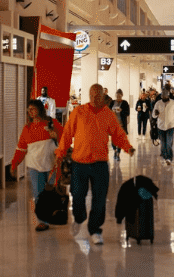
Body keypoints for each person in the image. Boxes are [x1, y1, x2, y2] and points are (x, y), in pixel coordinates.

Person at [57, 84, 134, 245]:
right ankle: (79, 218)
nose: (94, 98)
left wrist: (127, 147)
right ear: (89, 95)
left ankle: (95, 229)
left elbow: (118, 134)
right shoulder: (79, 112)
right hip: (80, 163)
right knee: (78, 196)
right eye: (91, 95)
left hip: (100, 164)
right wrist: (60, 151)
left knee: (99, 200)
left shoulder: (108, 114)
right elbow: (68, 132)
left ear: (102, 96)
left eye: (97, 95)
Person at [10, 100, 63, 231]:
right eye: (29, 110)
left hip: (52, 164)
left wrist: (56, 136)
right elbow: (21, 149)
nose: (31, 112)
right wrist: (14, 165)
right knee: (38, 194)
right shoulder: (27, 129)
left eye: (33, 109)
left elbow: (64, 138)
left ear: (40, 109)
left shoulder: (51, 123)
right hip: (34, 166)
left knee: (51, 192)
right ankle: (43, 221)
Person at [152, 88, 174, 165]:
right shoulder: (158, 103)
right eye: (163, 96)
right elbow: (153, 116)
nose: (164, 98)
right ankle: (165, 156)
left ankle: (169, 158)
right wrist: (155, 113)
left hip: (170, 126)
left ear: (168, 96)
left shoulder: (173, 103)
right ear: (161, 96)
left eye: (165, 96)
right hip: (160, 126)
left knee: (169, 143)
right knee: (163, 143)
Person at [110, 90, 131, 161]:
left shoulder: (125, 103)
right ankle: (115, 151)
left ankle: (118, 154)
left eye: (119, 95)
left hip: (121, 125)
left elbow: (127, 113)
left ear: (122, 95)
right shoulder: (112, 102)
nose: (118, 96)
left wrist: (121, 110)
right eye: (117, 95)